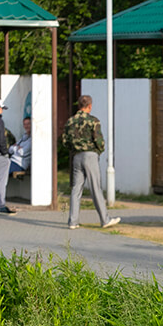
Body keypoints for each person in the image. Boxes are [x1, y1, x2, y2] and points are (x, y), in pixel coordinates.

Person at [63, 95, 120, 230]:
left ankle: (73, 221)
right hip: (90, 155)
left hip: (76, 156)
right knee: (95, 188)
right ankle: (104, 219)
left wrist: (74, 150)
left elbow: (65, 141)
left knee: (76, 189)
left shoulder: (70, 122)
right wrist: (98, 152)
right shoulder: (93, 121)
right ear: (90, 106)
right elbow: (99, 140)